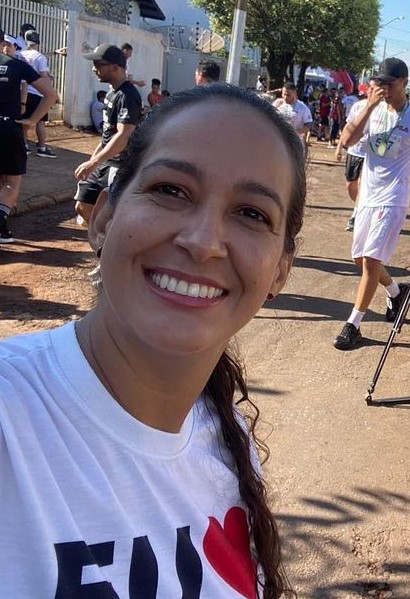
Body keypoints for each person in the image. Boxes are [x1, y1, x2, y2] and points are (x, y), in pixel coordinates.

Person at [0, 84, 303, 598]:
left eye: (252, 213)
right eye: (171, 190)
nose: (203, 241)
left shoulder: (226, 442)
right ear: (103, 218)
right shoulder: (12, 416)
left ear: (280, 271)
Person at [333, 58, 410, 350]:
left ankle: (353, 325)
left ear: (404, 82)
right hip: (368, 195)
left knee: (371, 261)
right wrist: (368, 107)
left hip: (394, 198)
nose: (383, 88)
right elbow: (347, 140)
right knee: (359, 258)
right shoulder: (365, 109)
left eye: (389, 83)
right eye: (380, 82)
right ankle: (395, 290)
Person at [0, 29, 58, 244]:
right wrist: (33, 120)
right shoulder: (16, 64)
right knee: (11, 181)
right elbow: (52, 94)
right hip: (9, 126)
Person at [74, 44, 142, 226]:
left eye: (99, 64)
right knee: (83, 207)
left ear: (116, 67)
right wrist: (93, 160)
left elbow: (123, 136)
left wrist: (94, 162)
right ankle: (104, 248)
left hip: (120, 165)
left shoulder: (128, 96)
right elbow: (107, 134)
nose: (94, 69)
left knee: (112, 215)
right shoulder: (113, 93)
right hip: (106, 162)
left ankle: (112, 250)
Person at [19, 30, 57, 158]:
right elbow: (43, 76)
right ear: (38, 41)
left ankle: (24, 146)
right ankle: (41, 147)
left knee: (23, 120)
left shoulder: (20, 54)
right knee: (40, 122)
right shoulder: (40, 57)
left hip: (23, 92)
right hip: (38, 93)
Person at [336, 94, 367, 231]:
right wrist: (340, 147)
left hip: (370, 155)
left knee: (362, 185)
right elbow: (348, 126)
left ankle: (356, 215)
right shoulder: (358, 106)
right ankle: (362, 207)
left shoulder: (384, 109)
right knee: (350, 185)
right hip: (354, 151)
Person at [272, 82, 313, 148]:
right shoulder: (277, 104)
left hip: (294, 143)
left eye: (288, 95)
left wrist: (295, 133)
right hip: (277, 141)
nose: (285, 97)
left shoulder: (302, 108)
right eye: (284, 94)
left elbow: (308, 126)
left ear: (294, 93)